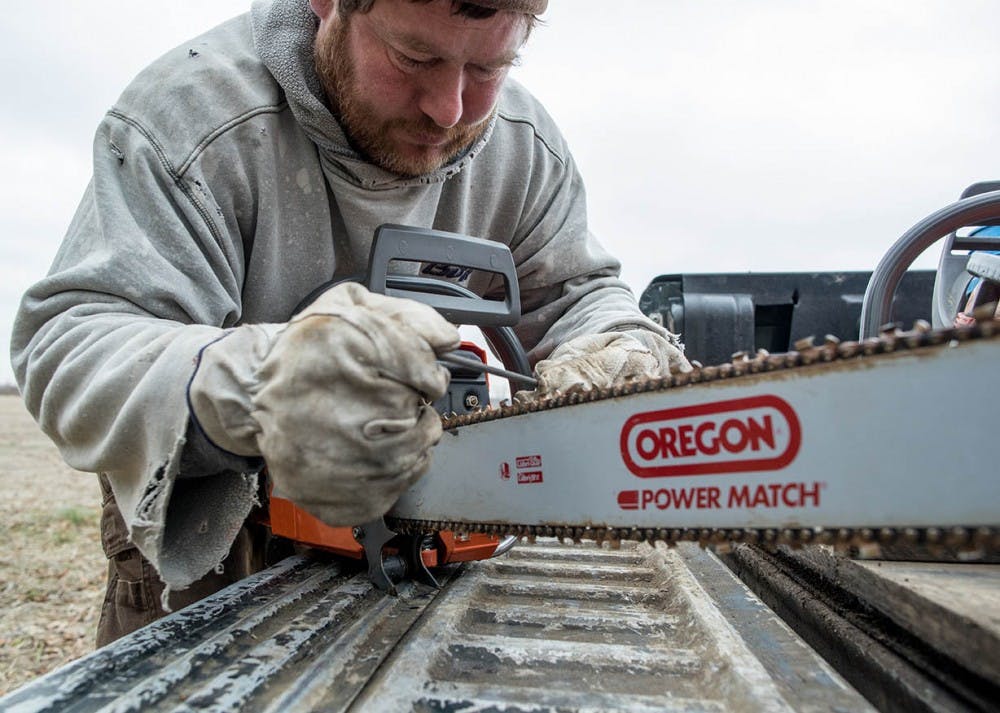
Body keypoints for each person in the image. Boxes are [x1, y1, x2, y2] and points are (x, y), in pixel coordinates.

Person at [10, 0, 690, 645]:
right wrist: (260, 386)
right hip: (219, 549)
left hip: (433, 547)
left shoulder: (523, 147)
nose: (449, 107)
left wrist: (613, 346)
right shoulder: (190, 120)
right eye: (414, 56)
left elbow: (577, 293)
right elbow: (75, 341)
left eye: (488, 69)